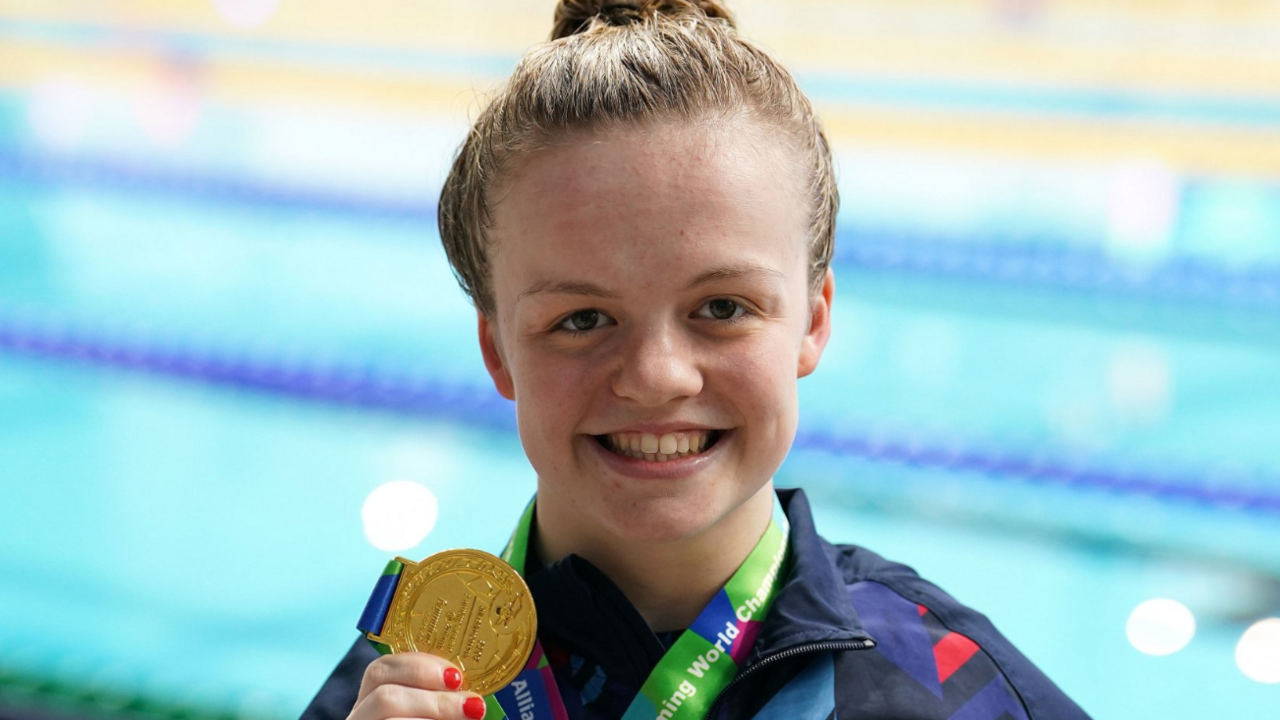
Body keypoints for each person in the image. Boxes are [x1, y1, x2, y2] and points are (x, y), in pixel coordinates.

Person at [301, 1, 1091, 718]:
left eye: (721, 309)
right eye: (582, 319)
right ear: (497, 349)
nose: (657, 375)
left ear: (813, 322)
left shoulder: (958, 693)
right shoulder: (397, 690)